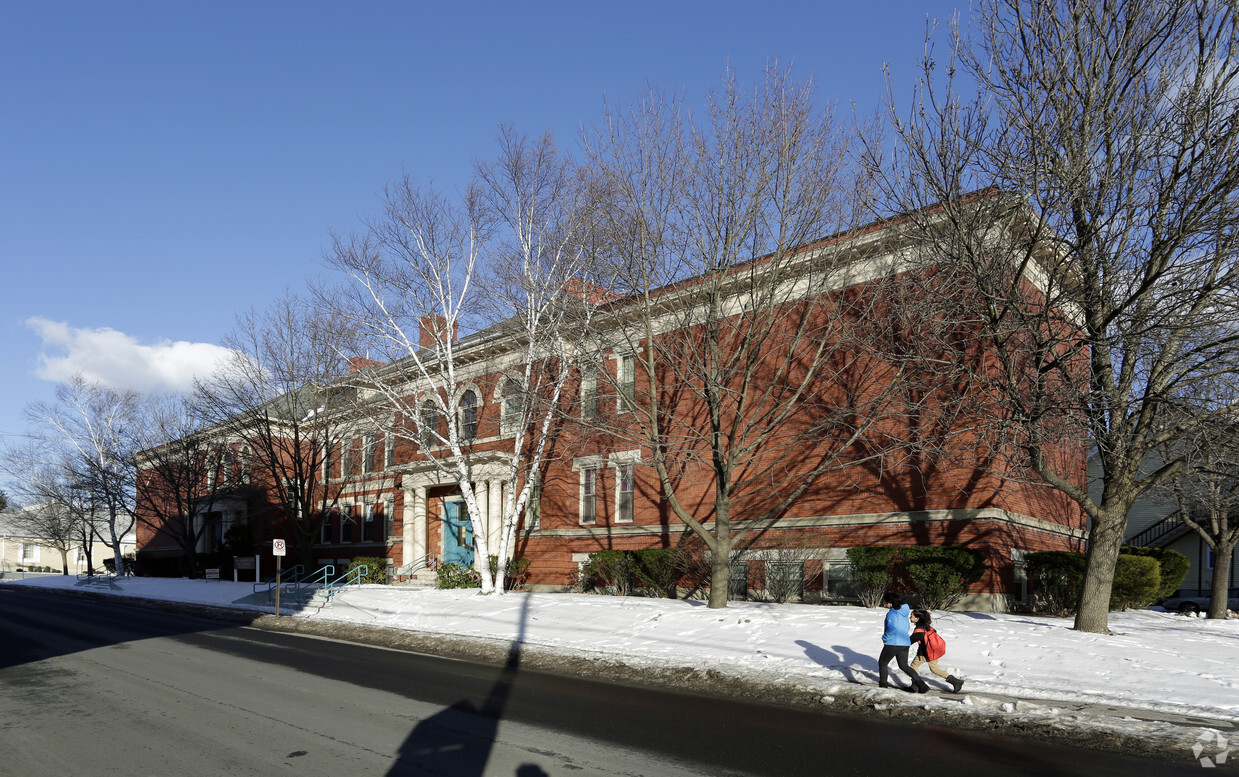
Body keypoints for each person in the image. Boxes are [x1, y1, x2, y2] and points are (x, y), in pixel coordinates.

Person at [878, 592, 928, 692]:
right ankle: (922, 685)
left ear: (890, 602)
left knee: (882, 663)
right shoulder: (904, 611)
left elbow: (892, 628)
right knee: (904, 666)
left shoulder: (892, 613)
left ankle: (883, 686)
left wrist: (885, 638)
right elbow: (906, 626)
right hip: (905, 642)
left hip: (893, 643)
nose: (885, 604)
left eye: (886, 602)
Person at [910, 609, 965, 693]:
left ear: (918, 618)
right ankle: (956, 681)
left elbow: (909, 641)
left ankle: (916, 686)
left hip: (924, 654)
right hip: (933, 652)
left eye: (912, 616)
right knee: (935, 669)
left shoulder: (919, 630)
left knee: (914, 666)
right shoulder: (929, 627)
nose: (910, 617)